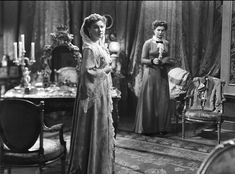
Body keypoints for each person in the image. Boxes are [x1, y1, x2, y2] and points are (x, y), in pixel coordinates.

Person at [67, 13, 115, 174]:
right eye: (96, 27)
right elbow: (88, 73)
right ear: (88, 29)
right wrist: (107, 69)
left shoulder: (99, 46)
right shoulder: (89, 48)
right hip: (94, 93)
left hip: (101, 90)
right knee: (95, 125)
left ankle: (100, 164)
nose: (100, 30)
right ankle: (91, 166)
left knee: (102, 125)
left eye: (102, 26)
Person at [134, 20, 175, 136]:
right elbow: (142, 60)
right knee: (149, 100)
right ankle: (147, 128)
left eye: (163, 30)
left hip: (162, 75)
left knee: (162, 101)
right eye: (158, 30)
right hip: (150, 74)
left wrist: (167, 61)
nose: (160, 32)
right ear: (154, 30)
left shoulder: (166, 43)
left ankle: (162, 127)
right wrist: (152, 61)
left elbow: (169, 58)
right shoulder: (147, 43)